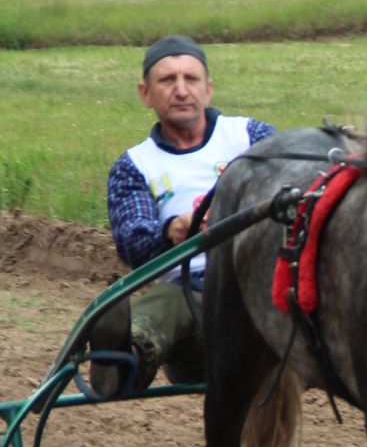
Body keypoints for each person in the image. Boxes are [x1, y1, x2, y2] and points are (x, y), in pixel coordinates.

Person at [94, 36, 277, 397]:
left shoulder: (251, 137)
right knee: (166, 304)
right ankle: (123, 360)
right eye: (167, 81)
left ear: (208, 90)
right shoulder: (135, 166)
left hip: (266, 287)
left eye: (191, 79)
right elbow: (133, 245)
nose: (181, 90)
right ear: (145, 93)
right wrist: (172, 232)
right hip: (196, 301)